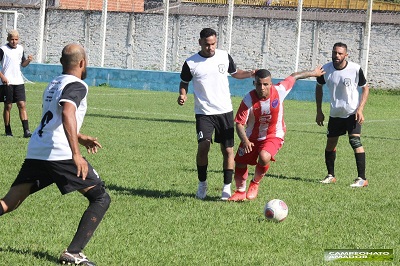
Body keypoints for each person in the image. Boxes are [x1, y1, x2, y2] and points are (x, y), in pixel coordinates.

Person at [0, 43, 110, 265]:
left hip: (38, 150)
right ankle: (74, 253)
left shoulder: (54, 83)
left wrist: (80, 136)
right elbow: (68, 111)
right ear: (82, 63)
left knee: (9, 202)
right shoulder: (78, 85)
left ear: (62, 62)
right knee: (100, 197)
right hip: (60, 154)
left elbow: (54, 121)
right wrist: (76, 154)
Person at [177, 27, 256, 200]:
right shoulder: (191, 63)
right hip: (204, 113)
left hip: (225, 111)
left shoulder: (224, 56)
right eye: (207, 44)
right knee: (203, 146)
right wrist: (183, 94)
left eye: (213, 44)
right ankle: (202, 183)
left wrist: (250, 73)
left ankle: (226, 187)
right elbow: (184, 82)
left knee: (228, 150)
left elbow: (235, 73)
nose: (210, 48)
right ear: (200, 43)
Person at [228, 66, 325, 201]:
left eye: (266, 84)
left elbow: (295, 75)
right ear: (254, 83)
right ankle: (240, 192)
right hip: (250, 138)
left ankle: (255, 183)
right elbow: (239, 123)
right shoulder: (248, 100)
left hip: (274, 135)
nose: (262, 88)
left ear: (271, 84)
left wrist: (313, 73)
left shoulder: (280, 90)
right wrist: (245, 140)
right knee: (240, 163)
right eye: (259, 84)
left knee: (264, 156)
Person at [316, 42, 370, 188]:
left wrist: (360, 109)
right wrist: (319, 111)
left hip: (352, 112)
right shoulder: (325, 69)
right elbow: (319, 87)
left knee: (355, 142)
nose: (336, 56)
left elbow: (365, 88)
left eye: (340, 53)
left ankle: (362, 179)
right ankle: (330, 176)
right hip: (335, 114)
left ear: (346, 55)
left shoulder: (355, 69)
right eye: (334, 53)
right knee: (330, 144)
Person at [0, 29, 33, 137]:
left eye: (16, 39)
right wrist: (2, 77)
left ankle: (26, 131)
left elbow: (23, 64)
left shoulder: (20, 49)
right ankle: (8, 130)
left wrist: (28, 60)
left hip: (18, 81)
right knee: (8, 106)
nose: (14, 41)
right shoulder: (2, 50)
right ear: (8, 39)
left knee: (22, 104)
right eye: (12, 39)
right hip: (7, 82)